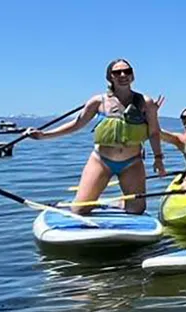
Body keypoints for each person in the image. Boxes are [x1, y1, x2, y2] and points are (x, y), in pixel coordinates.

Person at [26, 59, 166, 214]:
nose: (122, 75)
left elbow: (153, 132)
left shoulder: (146, 102)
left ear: (132, 76)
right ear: (110, 77)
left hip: (132, 163)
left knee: (136, 210)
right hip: (102, 161)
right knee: (80, 210)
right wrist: (44, 135)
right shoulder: (98, 101)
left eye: (127, 71)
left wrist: (158, 159)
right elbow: (76, 124)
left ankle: (119, 203)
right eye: (117, 72)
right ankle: (83, 203)